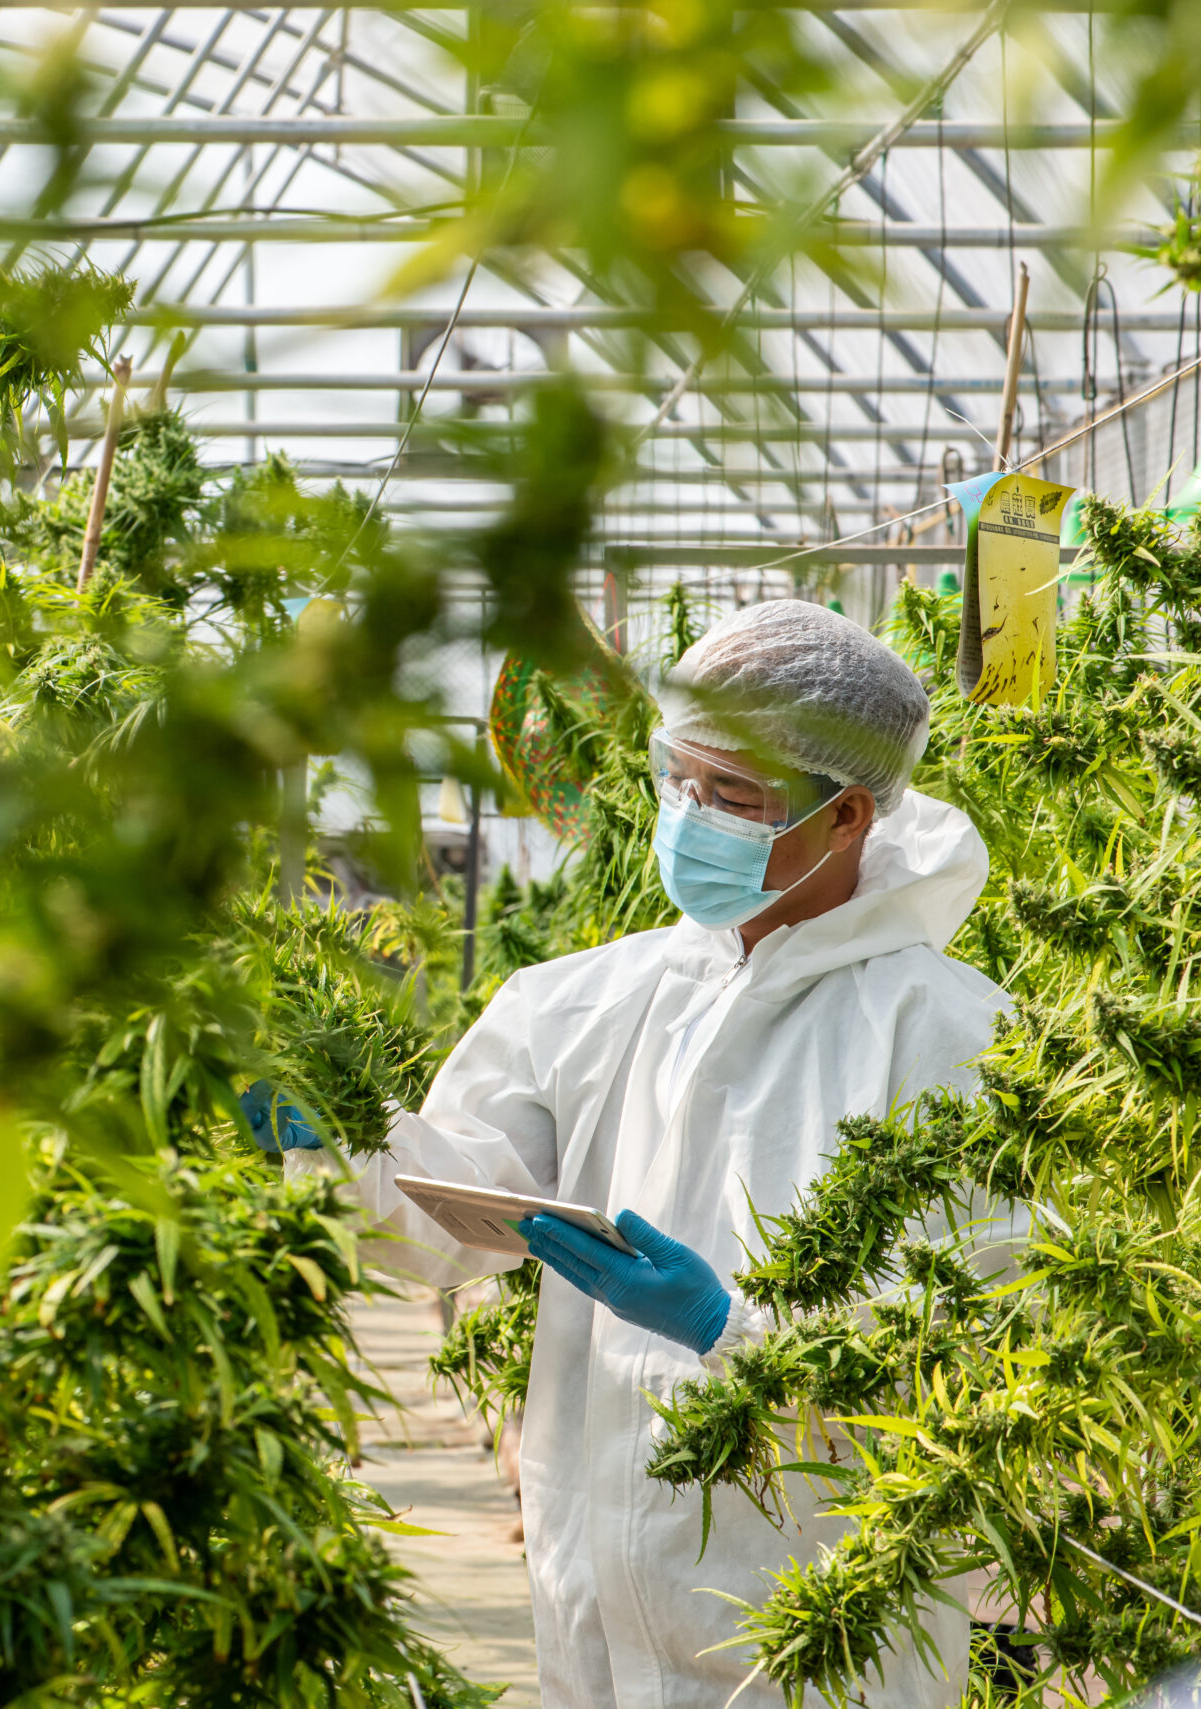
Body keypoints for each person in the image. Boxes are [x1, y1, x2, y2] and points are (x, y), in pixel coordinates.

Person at [249, 599, 1014, 1709]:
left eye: (734, 797)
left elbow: (974, 1356)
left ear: (846, 814)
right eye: (679, 781)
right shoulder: (584, 999)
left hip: (818, 1640)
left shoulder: (949, 1035)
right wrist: (340, 1138)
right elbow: (442, 1225)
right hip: (594, 1623)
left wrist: (735, 1333)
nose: (691, 818)